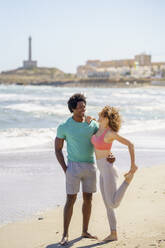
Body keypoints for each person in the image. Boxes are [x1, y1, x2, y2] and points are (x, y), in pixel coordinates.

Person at [55, 94, 115, 245]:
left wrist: (109, 154)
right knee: (71, 199)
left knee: (88, 199)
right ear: (73, 109)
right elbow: (58, 149)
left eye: (84, 106)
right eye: (80, 106)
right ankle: (65, 234)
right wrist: (65, 168)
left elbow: (103, 139)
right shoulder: (64, 126)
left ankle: (85, 231)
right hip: (73, 167)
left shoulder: (92, 125)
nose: (84, 109)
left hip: (91, 166)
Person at [90, 105, 138, 242]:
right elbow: (91, 123)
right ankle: (113, 233)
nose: (98, 116)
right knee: (107, 204)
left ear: (106, 118)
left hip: (108, 168)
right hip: (101, 169)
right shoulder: (98, 127)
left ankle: (128, 180)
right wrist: (90, 120)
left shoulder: (110, 133)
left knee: (113, 204)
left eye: (101, 115)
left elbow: (130, 144)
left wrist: (132, 164)